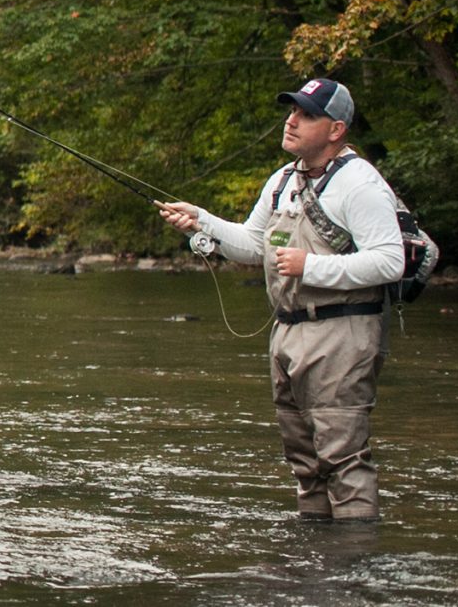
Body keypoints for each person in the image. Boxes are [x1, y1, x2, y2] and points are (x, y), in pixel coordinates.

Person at [158, 77, 404, 522]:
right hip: (288, 332)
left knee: (344, 459)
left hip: (342, 331)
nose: (291, 121)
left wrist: (312, 267)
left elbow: (390, 262)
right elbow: (253, 245)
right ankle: (313, 558)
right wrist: (201, 221)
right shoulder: (282, 180)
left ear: (336, 130)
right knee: (305, 463)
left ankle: (355, 573)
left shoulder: (359, 183)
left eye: (307, 114)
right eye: (291, 111)